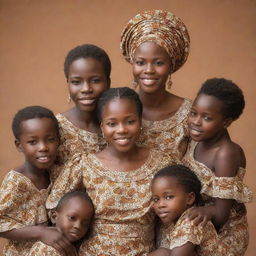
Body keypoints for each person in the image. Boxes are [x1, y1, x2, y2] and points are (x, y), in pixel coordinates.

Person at [46, 87, 175, 255]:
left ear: (140, 122)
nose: (121, 129)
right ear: (102, 127)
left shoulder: (162, 164)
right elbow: (55, 209)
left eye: (130, 121)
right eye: (112, 123)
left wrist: (164, 249)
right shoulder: (84, 165)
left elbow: (175, 215)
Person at [182, 78, 253, 255]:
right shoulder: (195, 139)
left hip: (224, 233)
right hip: (200, 218)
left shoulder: (225, 153)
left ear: (226, 122)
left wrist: (190, 216)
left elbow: (221, 215)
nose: (196, 122)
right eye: (193, 113)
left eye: (207, 118)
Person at [0, 106, 76, 256]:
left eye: (50, 140)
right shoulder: (17, 181)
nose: (43, 147)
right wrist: (40, 232)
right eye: (33, 142)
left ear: (59, 141)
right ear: (19, 145)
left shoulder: (57, 174)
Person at [120, 10, 192, 159]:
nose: (149, 70)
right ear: (132, 63)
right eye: (140, 62)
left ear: (171, 65)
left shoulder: (190, 114)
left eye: (158, 63)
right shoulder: (117, 108)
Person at [51, 44, 111, 181]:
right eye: (76, 82)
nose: (86, 89)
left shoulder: (119, 125)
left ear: (108, 82)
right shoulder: (55, 128)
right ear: (68, 84)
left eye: (95, 80)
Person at [150, 165, 219, 256]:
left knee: (162, 253)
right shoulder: (169, 221)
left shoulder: (192, 220)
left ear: (189, 198)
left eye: (168, 197)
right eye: (156, 199)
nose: (160, 205)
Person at [29, 191, 94, 255]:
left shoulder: (75, 249)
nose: (78, 226)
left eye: (85, 223)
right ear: (54, 217)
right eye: (72, 218)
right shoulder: (45, 249)